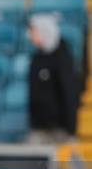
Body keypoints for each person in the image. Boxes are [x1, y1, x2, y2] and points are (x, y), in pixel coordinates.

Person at [27, 14, 78, 144]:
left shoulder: (63, 58)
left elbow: (69, 93)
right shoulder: (36, 59)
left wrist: (71, 129)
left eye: (34, 31)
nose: (30, 36)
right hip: (39, 127)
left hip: (60, 128)